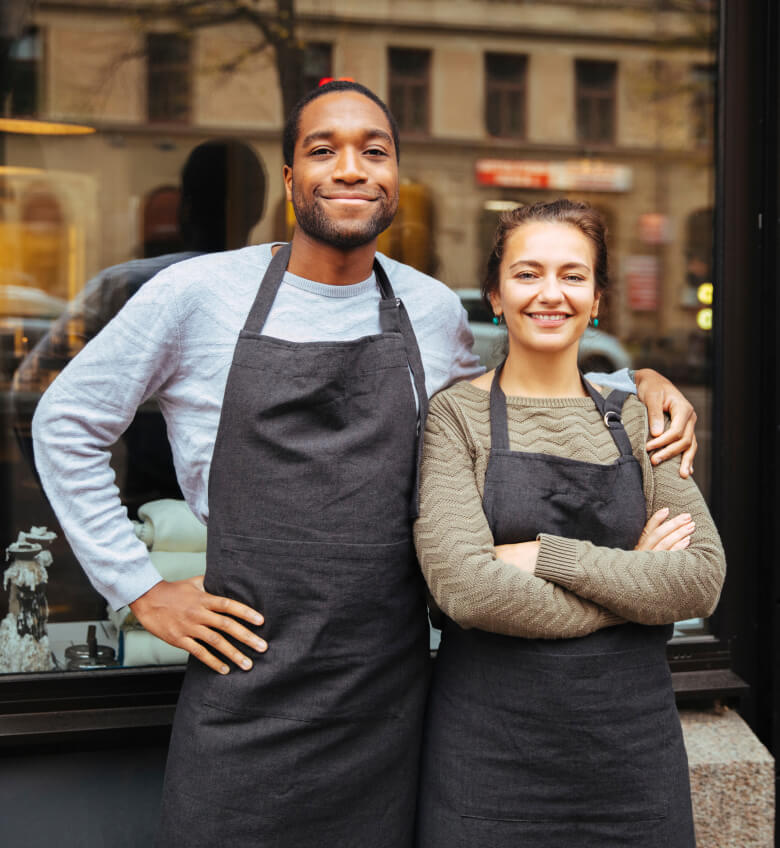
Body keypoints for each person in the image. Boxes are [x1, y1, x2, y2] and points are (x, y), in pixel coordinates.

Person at [32, 84, 697, 847]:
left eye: (373, 151)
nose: (351, 168)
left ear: (394, 179)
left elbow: (507, 397)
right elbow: (64, 422)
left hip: (391, 697)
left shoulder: (430, 308)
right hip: (247, 692)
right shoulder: (196, 294)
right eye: (323, 150)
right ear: (288, 180)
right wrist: (137, 587)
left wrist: (639, 384)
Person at [413, 199, 726, 848]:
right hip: (489, 762)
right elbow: (464, 588)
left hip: (632, 763)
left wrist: (542, 555)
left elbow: (698, 580)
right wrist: (637, 591)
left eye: (573, 276)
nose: (550, 293)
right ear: (495, 296)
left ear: (598, 298)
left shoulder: (640, 417)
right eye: (527, 275)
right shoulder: (455, 418)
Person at [14, 138, 266, 514]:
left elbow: (32, 396)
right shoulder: (285, 292)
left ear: (185, 208)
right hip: (236, 518)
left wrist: (82, 512)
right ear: (258, 210)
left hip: (142, 507)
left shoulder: (123, 286)